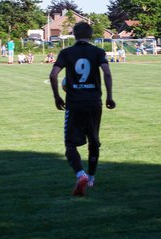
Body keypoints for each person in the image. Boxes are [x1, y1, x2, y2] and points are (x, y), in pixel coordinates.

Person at [49, 21, 116, 196]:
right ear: (91, 35)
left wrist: (57, 96)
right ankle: (92, 178)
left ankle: (80, 174)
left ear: (74, 35)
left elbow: (53, 75)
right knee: (94, 140)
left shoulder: (66, 53)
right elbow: (107, 73)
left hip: (74, 103)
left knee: (70, 144)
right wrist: (109, 96)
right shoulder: (98, 52)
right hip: (94, 102)